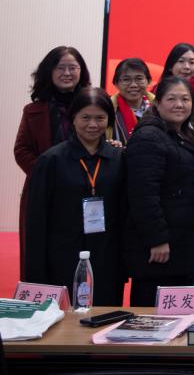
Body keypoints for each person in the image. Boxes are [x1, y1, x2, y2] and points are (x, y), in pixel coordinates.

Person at [25, 88, 125, 306]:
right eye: (85, 118)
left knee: (104, 315)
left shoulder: (119, 159)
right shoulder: (51, 160)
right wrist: (35, 272)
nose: (93, 124)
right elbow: (36, 220)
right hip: (62, 254)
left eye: (100, 118)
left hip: (107, 256)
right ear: (73, 118)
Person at [123, 77, 194, 306]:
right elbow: (143, 194)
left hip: (182, 244)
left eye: (185, 99)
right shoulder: (148, 137)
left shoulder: (187, 136)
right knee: (152, 314)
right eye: (171, 99)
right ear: (157, 103)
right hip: (160, 249)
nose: (179, 105)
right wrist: (157, 239)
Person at [14, 46, 91, 279]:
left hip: (87, 188)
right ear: (49, 71)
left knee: (85, 251)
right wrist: (48, 174)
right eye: (60, 67)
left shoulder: (94, 104)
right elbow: (22, 150)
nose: (67, 73)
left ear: (81, 71)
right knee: (42, 252)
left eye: (73, 67)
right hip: (45, 190)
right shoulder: (33, 110)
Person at [109, 58, 153, 144]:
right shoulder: (108, 109)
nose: (133, 85)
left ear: (148, 81)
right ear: (116, 84)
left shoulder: (158, 107)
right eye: (126, 79)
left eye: (139, 79)